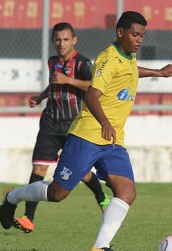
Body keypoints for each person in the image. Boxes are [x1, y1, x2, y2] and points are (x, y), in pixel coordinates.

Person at [0, 11, 172, 251]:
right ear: (120, 33)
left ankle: (100, 248)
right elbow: (92, 95)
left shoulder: (128, 55)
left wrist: (158, 73)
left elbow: (129, 71)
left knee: (126, 191)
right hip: (88, 135)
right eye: (135, 34)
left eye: (142, 36)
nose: (139, 40)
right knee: (57, 193)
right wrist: (105, 122)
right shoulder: (107, 58)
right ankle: (12, 198)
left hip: (113, 141)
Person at [11, 22, 110, 234]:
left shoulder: (83, 64)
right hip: (50, 122)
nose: (61, 43)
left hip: (74, 125)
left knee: (82, 174)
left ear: (74, 40)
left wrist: (69, 80)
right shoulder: (52, 62)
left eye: (65, 39)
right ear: (53, 41)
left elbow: (95, 86)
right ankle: (29, 217)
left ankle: (101, 197)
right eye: (57, 40)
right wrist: (41, 97)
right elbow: (54, 84)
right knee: (39, 168)